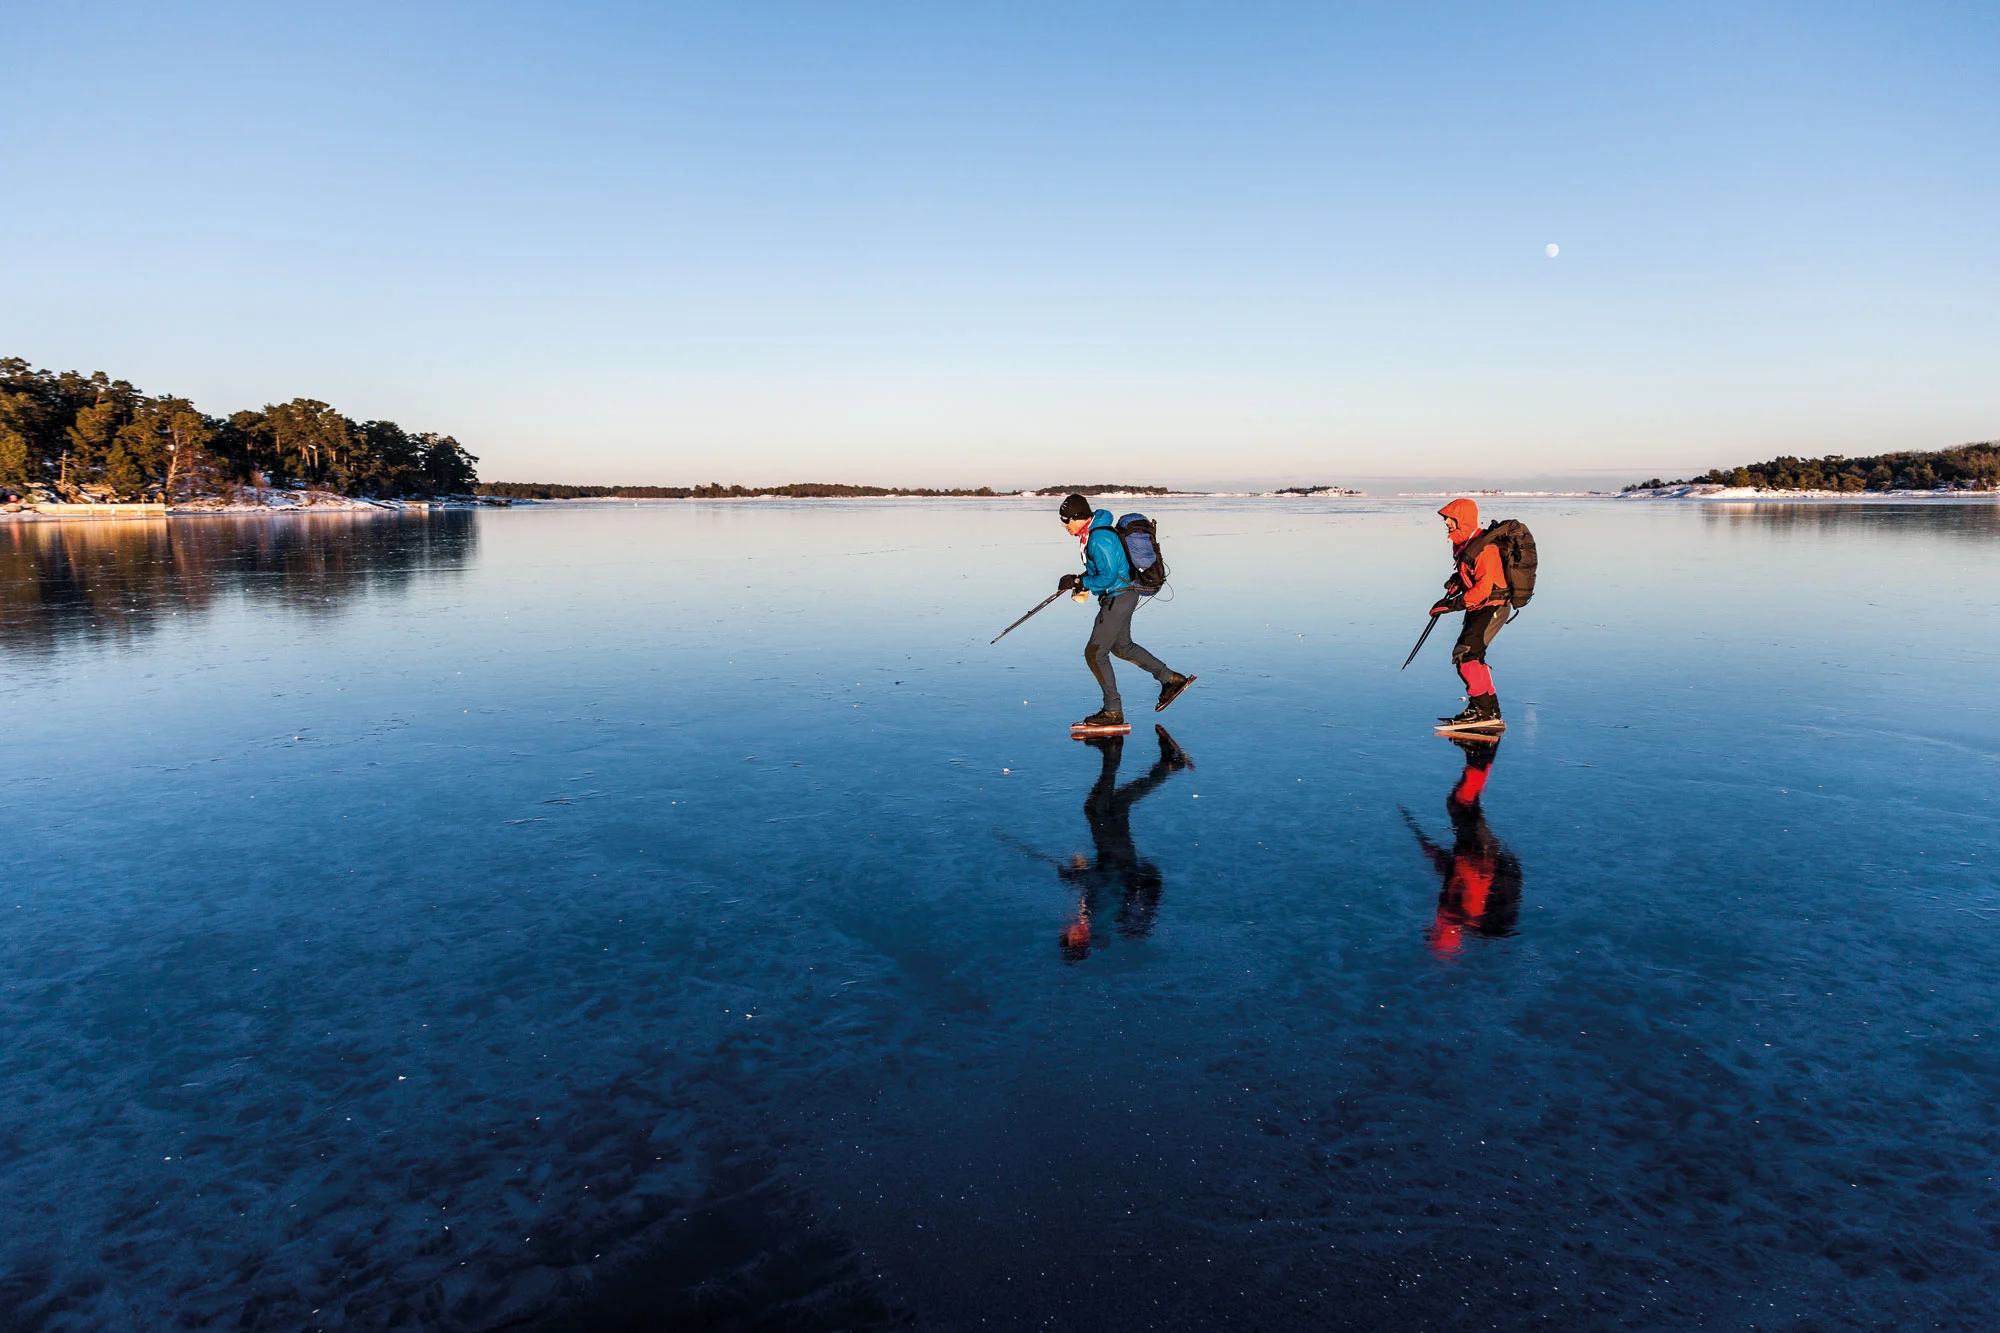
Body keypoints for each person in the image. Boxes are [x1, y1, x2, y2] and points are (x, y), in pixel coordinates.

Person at [1057, 492, 1193, 731]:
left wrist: (1082, 583)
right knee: (1121, 646)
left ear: (1078, 518)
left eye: (1066, 519)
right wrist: (1077, 580)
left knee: (1095, 653)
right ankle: (1171, 680)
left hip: (1118, 597)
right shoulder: (1093, 535)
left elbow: (1107, 576)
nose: (1064, 524)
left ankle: (1112, 711)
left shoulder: (1099, 538)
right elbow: (1104, 572)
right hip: (1121, 595)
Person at [1058, 725, 1193, 960]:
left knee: (1118, 804)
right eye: (1068, 936)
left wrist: (1078, 874)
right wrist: (1078, 875)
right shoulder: (1100, 922)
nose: (1065, 930)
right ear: (1079, 940)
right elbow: (1110, 887)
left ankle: (1166, 766)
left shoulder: (1092, 921)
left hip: (1115, 858)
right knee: (1095, 809)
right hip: (1118, 859)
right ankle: (1113, 753)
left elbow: (1099, 888)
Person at [1402, 736, 1522, 956]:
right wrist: (1459, 861)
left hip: (1474, 854)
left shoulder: (1455, 916)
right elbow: (1471, 881)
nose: (1430, 929)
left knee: (1464, 803)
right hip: (1478, 854)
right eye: (1432, 935)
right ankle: (1484, 750)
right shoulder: (1457, 915)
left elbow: (1455, 880)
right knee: (1461, 803)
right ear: (1440, 936)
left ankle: (1483, 751)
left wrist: (1437, 856)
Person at [1430, 497, 1509, 731]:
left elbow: (1485, 588)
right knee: (1470, 655)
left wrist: (1452, 605)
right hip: (1480, 606)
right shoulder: (1467, 544)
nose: (1445, 522)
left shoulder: (1485, 547)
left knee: (1466, 656)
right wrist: (1458, 581)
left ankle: (1483, 711)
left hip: (1492, 606)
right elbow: (1475, 577)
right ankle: (1487, 710)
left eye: (1449, 518)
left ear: (1461, 519)